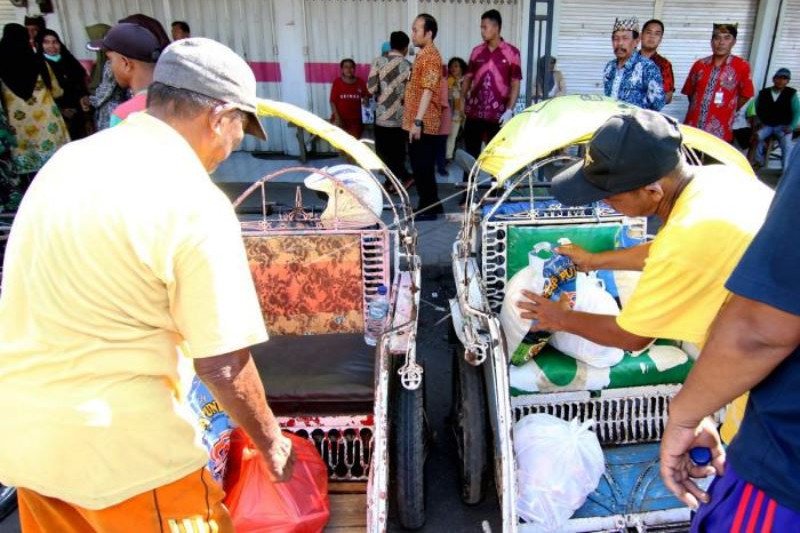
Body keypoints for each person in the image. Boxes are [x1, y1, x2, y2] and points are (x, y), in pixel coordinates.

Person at [0, 37, 293, 532]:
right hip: (128, 459)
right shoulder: (193, 200)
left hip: (28, 446)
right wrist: (271, 443)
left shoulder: (67, 162)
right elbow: (222, 363)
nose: (236, 142)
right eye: (241, 125)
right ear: (219, 116)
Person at [516, 110, 772, 362]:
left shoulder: (687, 236)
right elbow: (662, 249)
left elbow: (632, 337)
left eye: (611, 197)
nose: (605, 204)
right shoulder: (718, 178)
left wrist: (560, 318)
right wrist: (594, 261)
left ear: (653, 191)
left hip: (767, 371)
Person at [659, 147, 800, 532]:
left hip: (786, 474)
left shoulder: (685, 232)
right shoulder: (720, 180)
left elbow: (762, 328)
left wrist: (684, 416)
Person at [0, 23, 69, 183]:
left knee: (30, 182)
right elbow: (57, 91)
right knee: (55, 175)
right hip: (47, 126)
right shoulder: (39, 63)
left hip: (18, 129)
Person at [462, 9, 522, 173]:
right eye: (481, 27)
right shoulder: (477, 52)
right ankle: (468, 195)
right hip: (474, 114)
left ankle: (496, 196)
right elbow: (467, 78)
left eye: (485, 27)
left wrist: (509, 110)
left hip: (498, 116)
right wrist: (462, 103)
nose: (482, 31)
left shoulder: (512, 53)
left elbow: (515, 83)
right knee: (470, 157)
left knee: (496, 158)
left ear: (496, 28)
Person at [682, 23, 754, 142]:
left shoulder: (741, 66)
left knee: (713, 160)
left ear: (734, 42)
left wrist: (726, 108)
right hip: (693, 126)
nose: (721, 42)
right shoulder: (699, 65)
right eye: (717, 38)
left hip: (720, 130)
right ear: (711, 42)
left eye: (727, 38)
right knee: (688, 159)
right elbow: (691, 93)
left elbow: (746, 95)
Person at [403, 13, 444, 220]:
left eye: (416, 30)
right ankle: (434, 204)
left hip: (423, 123)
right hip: (417, 121)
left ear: (428, 33)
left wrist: (417, 122)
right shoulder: (423, 54)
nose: (413, 33)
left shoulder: (430, 56)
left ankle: (427, 208)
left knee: (422, 167)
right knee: (422, 165)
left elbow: (428, 90)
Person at [88, 22, 164, 128]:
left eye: (110, 59)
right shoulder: (178, 101)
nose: (110, 66)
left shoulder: (125, 115)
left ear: (126, 63)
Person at [367, 31, 412, 188]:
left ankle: (396, 180)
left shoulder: (378, 62)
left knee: (383, 152)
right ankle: (398, 179)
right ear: (405, 47)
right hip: (400, 116)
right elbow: (410, 94)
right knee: (398, 151)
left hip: (381, 116)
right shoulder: (408, 65)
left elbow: (371, 88)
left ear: (391, 44)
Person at [39, 29, 92, 140]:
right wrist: (60, 110)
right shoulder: (40, 65)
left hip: (79, 107)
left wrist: (84, 96)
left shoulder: (69, 59)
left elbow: (82, 81)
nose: (52, 46)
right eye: (46, 42)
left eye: (55, 42)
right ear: (40, 44)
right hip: (57, 112)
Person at [603, 17, 665, 111]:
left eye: (625, 38)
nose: (619, 43)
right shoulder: (609, 67)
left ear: (636, 41)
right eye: (616, 39)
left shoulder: (647, 67)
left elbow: (658, 104)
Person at [748, 68, 799, 169]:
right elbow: (755, 109)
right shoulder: (764, 93)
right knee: (756, 137)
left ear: (788, 81)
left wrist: (791, 126)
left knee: (787, 145)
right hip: (767, 125)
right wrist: (758, 122)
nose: (781, 81)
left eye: (784, 79)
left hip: (783, 126)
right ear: (773, 79)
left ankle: (785, 170)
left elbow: (797, 111)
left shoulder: (791, 93)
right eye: (778, 78)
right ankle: (759, 162)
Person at [330, 58, 368, 139]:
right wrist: (337, 118)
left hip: (356, 122)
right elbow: (332, 101)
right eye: (346, 67)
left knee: (353, 146)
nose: (349, 69)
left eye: (351, 67)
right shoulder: (337, 82)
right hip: (340, 120)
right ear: (342, 69)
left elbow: (366, 97)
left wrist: (366, 99)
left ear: (354, 69)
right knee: (340, 146)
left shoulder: (360, 82)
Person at [640, 19, 675, 104]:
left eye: (657, 34)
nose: (652, 36)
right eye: (648, 32)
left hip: (648, 114)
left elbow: (668, 96)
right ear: (641, 35)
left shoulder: (664, 64)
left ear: (660, 39)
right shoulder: (629, 60)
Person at [445, 56, 467, 161]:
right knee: (451, 136)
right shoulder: (449, 81)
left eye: (456, 66)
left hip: (468, 112)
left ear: (462, 68)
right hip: (455, 113)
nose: (453, 69)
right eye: (451, 66)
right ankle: (448, 157)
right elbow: (447, 97)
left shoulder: (467, 80)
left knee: (473, 136)